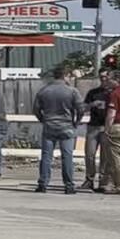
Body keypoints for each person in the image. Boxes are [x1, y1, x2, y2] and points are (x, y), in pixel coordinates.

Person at [32, 66, 84, 194]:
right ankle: (69, 185)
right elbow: (80, 109)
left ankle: (43, 184)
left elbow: (36, 110)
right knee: (67, 156)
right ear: (65, 75)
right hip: (66, 126)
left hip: (49, 125)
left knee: (46, 156)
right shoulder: (72, 91)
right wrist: (76, 122)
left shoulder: (44, 91)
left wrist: (43, 120)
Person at [98, 71, 120, 196]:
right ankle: (106, 183)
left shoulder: (115, 93)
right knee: (110, 156)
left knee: (114, 157)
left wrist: (107, 129)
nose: (107, 80)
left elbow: (111, 114)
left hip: (116, 127)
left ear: (116, 80)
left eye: (110, 79)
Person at [83, 73, 111, 191]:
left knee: (105, 156)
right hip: (93, 126)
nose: (103, 79)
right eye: (101, 77)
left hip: (106, 127)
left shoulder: (112, 93)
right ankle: (89, 179)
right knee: (90, 154)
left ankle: (103, 181)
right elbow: (83, 108)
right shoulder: (93, 93)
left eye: (106, 77)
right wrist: (91, 104)